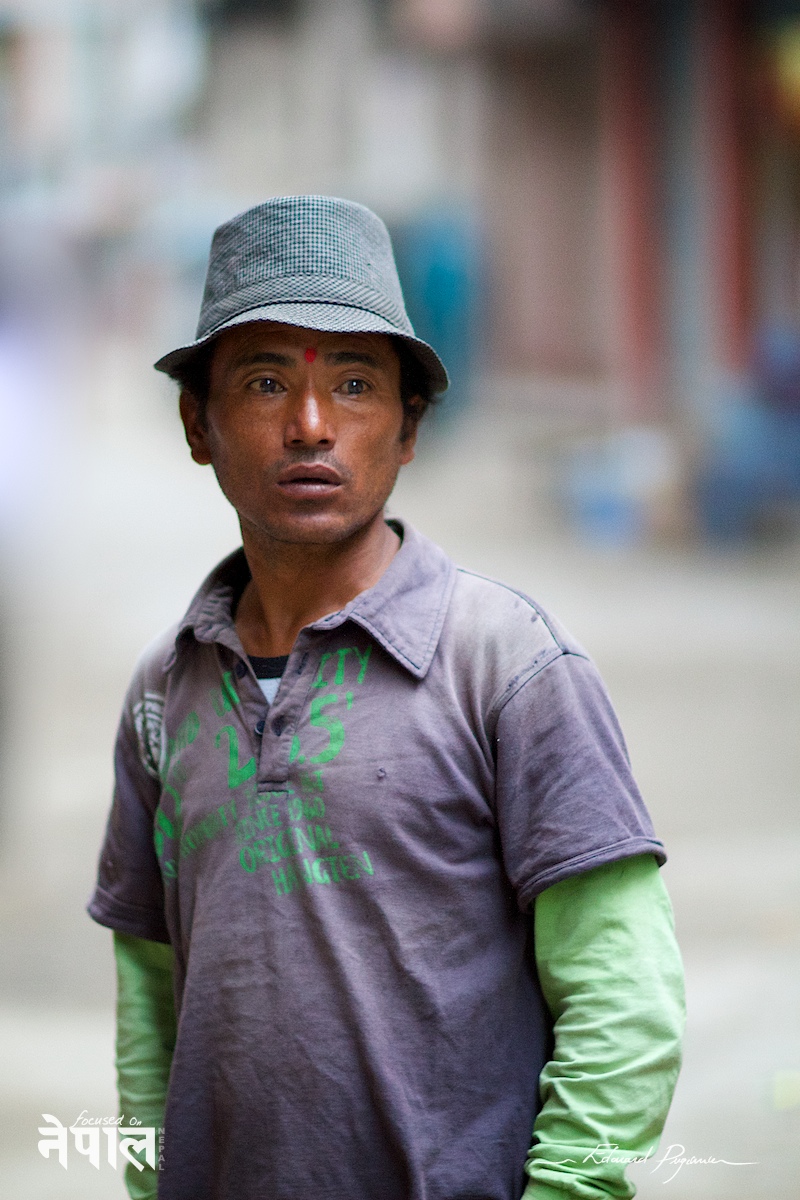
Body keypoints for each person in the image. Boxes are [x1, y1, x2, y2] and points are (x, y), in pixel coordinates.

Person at [89, 195, 684, 1200]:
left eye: (355, 385)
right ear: (197, 424)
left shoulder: (507, 666)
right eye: (265, 382)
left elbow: (624, 1005)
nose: (310, 426)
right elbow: (151, 1003)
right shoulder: (166, 687)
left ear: (408, 428)